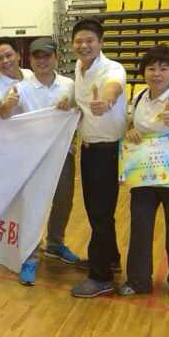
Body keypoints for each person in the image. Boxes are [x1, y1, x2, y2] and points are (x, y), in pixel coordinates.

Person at [0, 37, 82, 285]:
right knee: (32, 205)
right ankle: (29, 254)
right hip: (31, 158)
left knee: (63, 201)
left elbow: (80, 112)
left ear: (56, 57)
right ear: (30, 60)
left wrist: (72, 106)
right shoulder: (19, 89)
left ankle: (55, 243)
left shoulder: (69, 85)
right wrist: (6, 106)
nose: (42, 61)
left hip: (62, 154)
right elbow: (4, 119)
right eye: (37, 57)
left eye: (47, 56)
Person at [117, 45, 169, 300]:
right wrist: (131, 132)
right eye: (151, 68)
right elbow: (132, 127)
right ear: (144, 72)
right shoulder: (139, 97)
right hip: (144, 174)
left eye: (163, 68)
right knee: (140, 228)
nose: (157, 73)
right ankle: (138, 280)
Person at [70, 18, 127, 298]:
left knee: (100, 213)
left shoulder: (113, 69)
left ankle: (100, 276)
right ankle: (110, 258)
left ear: (101, 43)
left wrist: (106, 101)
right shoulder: (79, 68)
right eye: (79, 41)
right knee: (98, 211)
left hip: (108, 151)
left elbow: (113, 87)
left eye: (90, 40)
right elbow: (79, 102)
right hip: (89, 148)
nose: (84, 45)